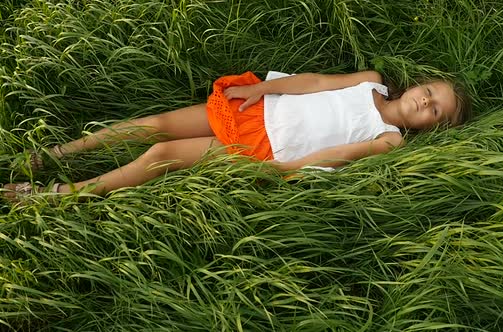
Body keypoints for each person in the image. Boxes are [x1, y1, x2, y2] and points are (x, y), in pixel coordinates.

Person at [1, 70, 471, 202]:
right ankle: (55, 153)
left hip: (265, 147)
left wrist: (284, 169)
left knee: (162, 153)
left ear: (435, 126)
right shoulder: (369, 80)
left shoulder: (390, 138)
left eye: (436, 112)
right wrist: (261, 87)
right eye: (429, 92)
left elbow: (342, 151)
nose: (425, 103)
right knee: (157, 124)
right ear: (417, 83)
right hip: (259, 109)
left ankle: (56, 194)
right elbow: (312, 83)